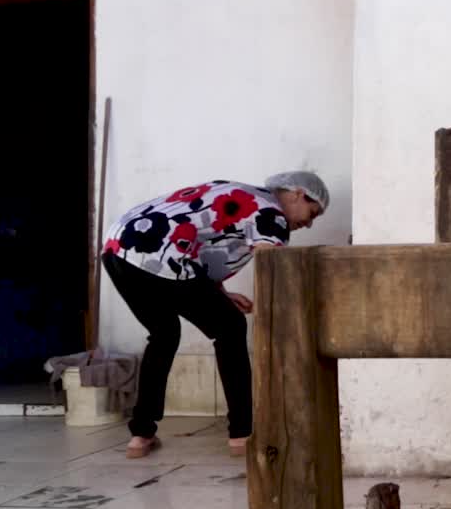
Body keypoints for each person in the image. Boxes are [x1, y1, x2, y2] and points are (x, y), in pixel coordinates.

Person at [101, 171, 328, 458]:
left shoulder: (241, 192)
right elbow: (272, 269)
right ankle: (241, 433)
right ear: (297, 193)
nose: (307, 223)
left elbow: (200, 240)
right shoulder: (272, 214)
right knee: (230, 328)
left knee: (164, 334)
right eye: (312, 213)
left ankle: (141, 434)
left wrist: (219, 294)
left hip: (117, 249)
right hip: (162, 256)